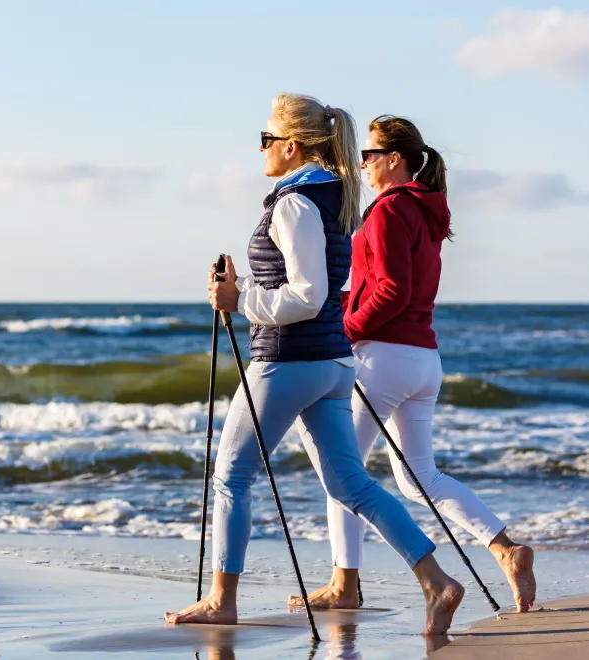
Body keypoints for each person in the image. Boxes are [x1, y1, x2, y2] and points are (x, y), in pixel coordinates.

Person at [163, 94, 464, 636]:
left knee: (231, 476)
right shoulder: (334, 197)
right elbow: (314, 288)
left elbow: (306, 294)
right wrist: (246, 287)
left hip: (288, 360)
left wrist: (240, 302)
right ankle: (437, 581)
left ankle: (221, 601)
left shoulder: (295, 202)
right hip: (332, 362)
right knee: (351, 484)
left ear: (291, 146)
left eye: (264, 140)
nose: (260, 150)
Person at [288, 115, 537, 613]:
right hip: (423, 359)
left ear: (394, 159)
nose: (362, 164)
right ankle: (505, 549)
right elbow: (390, 285)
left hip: (382, 357)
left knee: (343, 473)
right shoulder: (425, 210)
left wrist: (347, 328)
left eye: (369, 156)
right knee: (418, 475)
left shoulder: (387, 211)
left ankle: (344, 585)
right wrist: (343, 303)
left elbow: (391, 290)